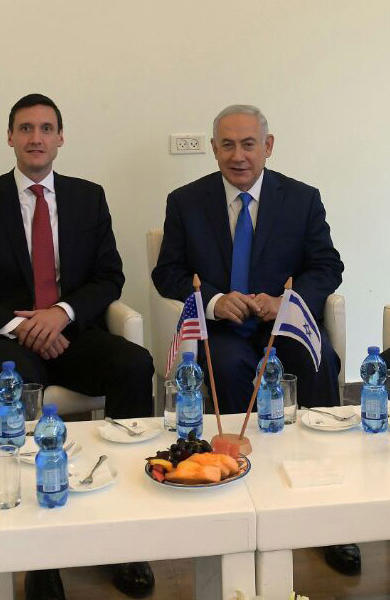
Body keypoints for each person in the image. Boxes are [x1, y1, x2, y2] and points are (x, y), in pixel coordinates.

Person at [0, 94, 154, 599]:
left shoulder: (88, 197)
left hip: (73, 333)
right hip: (11, 342)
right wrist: (18, 325)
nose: (36, 138)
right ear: (9, 137)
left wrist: (62, 314)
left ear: (60, 138)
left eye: (46, 128)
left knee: (134, 364)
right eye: (25, 128)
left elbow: (109, 276)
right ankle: (37, 555)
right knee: (15, 385)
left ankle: (126, 537)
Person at [152, 104, 355, 576]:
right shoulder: (186, 201)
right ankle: (244, 490)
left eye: (248, 144)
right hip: (223, 328)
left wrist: (287, 301)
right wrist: (216, 301)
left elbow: (327, 266)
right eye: (227, 144)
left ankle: (330, 514)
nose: (238, 156)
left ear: (268, 146)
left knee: (319, 362)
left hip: (283, 324)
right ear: (214, 148)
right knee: (223, 367)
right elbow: (168, 273)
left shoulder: (302, 199)